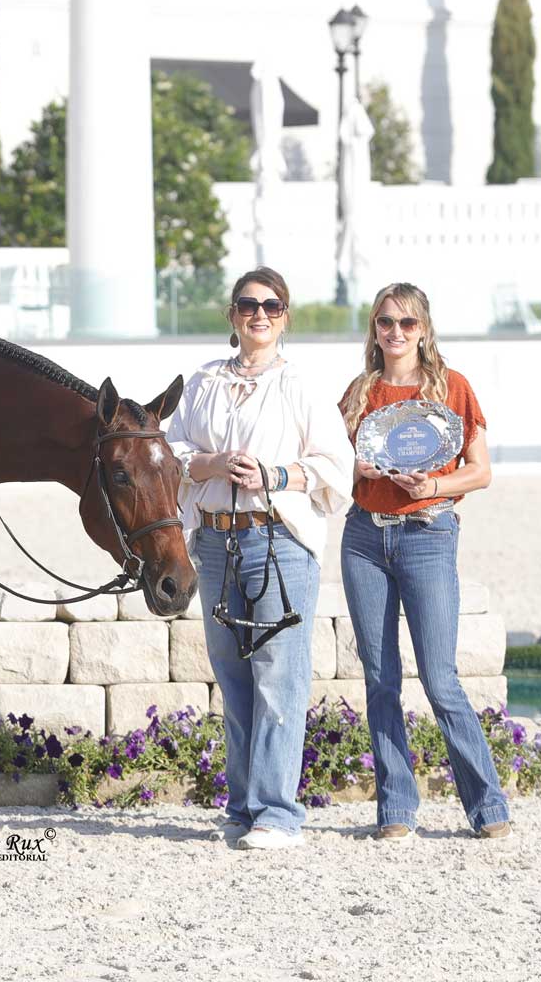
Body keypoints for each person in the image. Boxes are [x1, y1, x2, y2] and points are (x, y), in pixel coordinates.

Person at [166, 268, 353, 851]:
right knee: (234, 678)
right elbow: (171, 454)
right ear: (232, 315)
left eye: (271, 306)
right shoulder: (202, 383)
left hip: (279, 541)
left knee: (279, 677)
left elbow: (335, 469)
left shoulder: (300, 386)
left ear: (285, 316)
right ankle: (243, 806)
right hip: (215, 542)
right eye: (248, 305)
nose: (259, 314)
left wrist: (273, 475)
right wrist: (212, 463)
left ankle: (278, 813)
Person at [339, 282, 510, 842]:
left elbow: (480, 471)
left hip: (428, 535)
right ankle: (395, 808)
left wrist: (434, 481)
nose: (395, 332)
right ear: (375, 329)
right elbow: (331, 469)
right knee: (380, 678)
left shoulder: (452, 389)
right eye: (385, 322)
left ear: (424, 329)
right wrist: (356, 472)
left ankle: (487, 808)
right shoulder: (360, 393)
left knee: (439, 678)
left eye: (406, 323)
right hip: (365, 538)